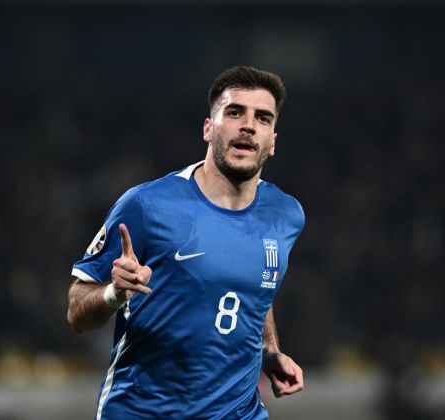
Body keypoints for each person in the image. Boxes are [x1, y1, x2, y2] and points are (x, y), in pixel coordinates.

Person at [67, 65, 305, 419]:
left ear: (272, 142)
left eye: (263, 118)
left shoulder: (286, 214)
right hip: (144, 411)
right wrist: (114, 293)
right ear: (209, 128)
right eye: (234, 112)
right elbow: (76, 312)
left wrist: (270, 349)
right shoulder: (147, 205)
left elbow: (257, 288)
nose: (248, 125)